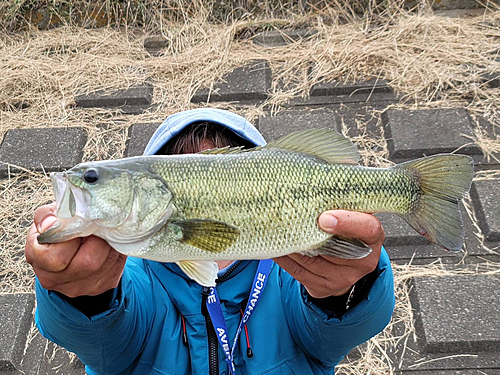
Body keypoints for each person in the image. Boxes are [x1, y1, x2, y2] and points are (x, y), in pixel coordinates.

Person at [25, 108, 395, 374]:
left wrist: (346, 289)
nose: (81, 182)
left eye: (91, 179)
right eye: (92, 177)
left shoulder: (292, 271)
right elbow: (99, 340)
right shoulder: (131, 274)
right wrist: (88, 295)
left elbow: (333, 336)